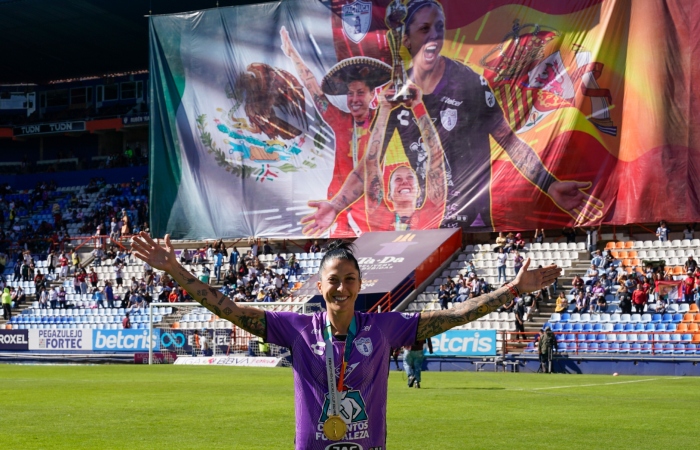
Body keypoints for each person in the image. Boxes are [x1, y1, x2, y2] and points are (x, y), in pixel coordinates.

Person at [131, 232, 558, 450]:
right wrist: (175, 271)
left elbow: (452, 315)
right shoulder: (296, 328)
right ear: (320, 285)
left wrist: (513, 291)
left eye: (349, 280)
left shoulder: (383, 327)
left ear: (360, 284)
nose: (341, 288)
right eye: (333, 281)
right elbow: (228, 309)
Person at [300, 0, 604, 236]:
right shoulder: (395, 96)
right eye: (424, 29)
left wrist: (548, 184)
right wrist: (336, 206)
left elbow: (510, 142)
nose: (434, 36)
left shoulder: (469, 82)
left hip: (474, 221)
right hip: (429, 221)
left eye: (439, 28)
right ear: (406, 40)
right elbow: (369, 165)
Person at [281, 26, 391, 237]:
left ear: (372, 95)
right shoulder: (341, 121)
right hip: (338, 212)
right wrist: (292, 54)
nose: (354, 99)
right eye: (350, 94)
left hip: (373, 213)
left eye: (360, 93)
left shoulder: (384, 120)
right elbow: (312, 86)